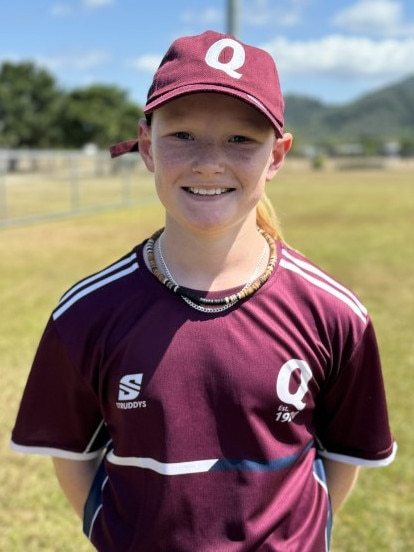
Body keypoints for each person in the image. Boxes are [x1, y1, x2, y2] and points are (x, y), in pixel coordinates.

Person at [11, 30, 396, 552]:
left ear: (277, 155)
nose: (209, 162)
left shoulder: (333, 313)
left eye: (241, 139)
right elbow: (73, 454)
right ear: (147, 145)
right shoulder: (87, 314)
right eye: (183, 135)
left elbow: (344, 460)